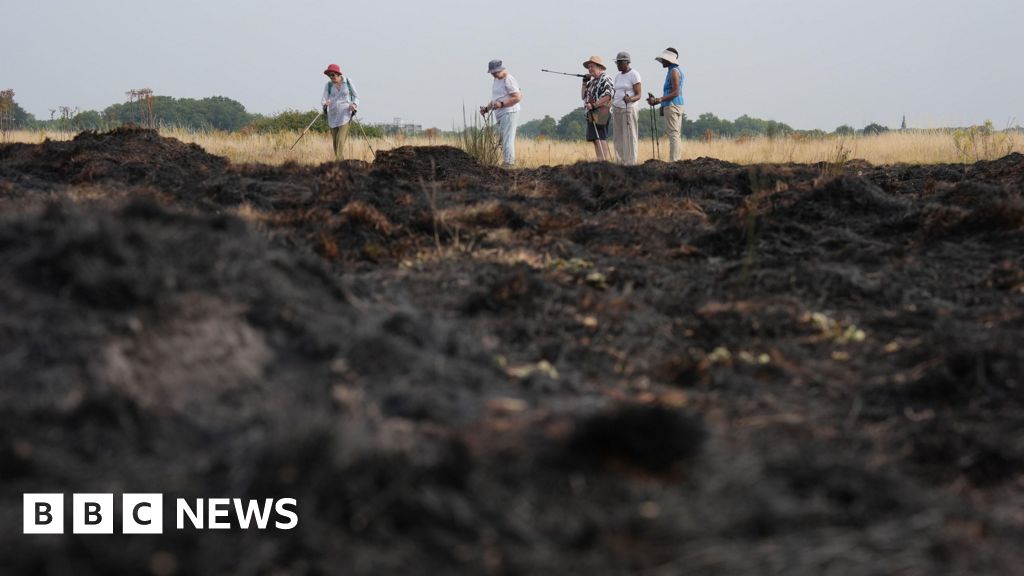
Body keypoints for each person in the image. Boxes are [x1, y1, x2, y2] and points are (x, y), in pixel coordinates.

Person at [480, 59, 522, 167]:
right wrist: (486, 109)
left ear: (501, 69)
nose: (493, 74)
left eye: (495, 72)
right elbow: (496, 99)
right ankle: (507, 161)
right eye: (492, 73)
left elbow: (517, 97)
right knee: (503, 139)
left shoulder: (508, 79)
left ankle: (509, 163)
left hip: (509, 112)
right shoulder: (496, 80)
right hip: (500, 114)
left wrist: (502, 104)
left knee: (507, 139)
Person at [647, 48, 684, 161]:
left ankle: (674, 160)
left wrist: (659, 99)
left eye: (664, 59)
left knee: (673, 134)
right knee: (675, 133)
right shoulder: (675, 70)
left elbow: (675, 92)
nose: (662, 61)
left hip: (672, 105)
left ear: (670, 60)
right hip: (677, 104)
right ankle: (676, 159)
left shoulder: (673, 72)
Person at [321, 63, 359, 160]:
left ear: (338, 74)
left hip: (345, 115)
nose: (331, 77)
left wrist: (354, 105)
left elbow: (356, 96)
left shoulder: (348, 82)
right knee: (335, 143)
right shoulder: (328, 86)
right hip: (333, 116)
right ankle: (341, 164)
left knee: (340, 141)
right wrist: (325, 103)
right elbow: (323, 99)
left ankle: (337, 165)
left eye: (333, 74)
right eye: (329, 75)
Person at [611, 51, 643, 165]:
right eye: (617, 63)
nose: (617, 65)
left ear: (626, 62)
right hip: (617, 108)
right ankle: (620, 162)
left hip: (628, 108)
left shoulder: (634, 74)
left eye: (620, 63)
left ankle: (631, 163)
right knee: (618, 137)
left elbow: (639, 94)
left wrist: (630, 99)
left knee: (629, 136)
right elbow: (616, 92)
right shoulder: (617, 76)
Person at [581, 55, 614, 161]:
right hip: (592, 112)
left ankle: (603, 160)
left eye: (592, 66)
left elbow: (608, 95)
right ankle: (600, 160)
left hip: (602, 111)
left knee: (600, 137)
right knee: (595, 138)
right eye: (588, 67)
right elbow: (583, 96)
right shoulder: (592, 82)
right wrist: (584, 82)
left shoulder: (605, 78)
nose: (590, 69)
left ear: (599, 67)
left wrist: (594, 105)